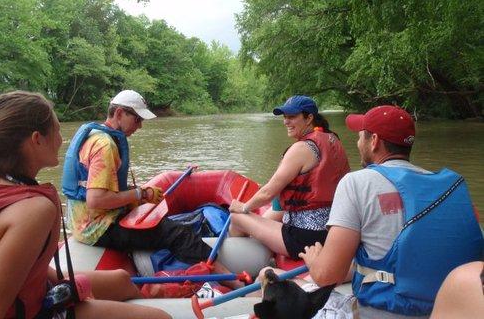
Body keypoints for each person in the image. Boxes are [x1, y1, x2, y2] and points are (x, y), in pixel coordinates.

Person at [0, 91, 171, 319]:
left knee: (122, 280)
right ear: (37, 139)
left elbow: (11, 264)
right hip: (28, 312)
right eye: (57, 130)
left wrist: (65, 283)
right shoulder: (33, 210)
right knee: (161, 317)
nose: (61, 139)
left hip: (27, 292)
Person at [300, 105, 483, 318]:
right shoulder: (452, 186)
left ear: (374, 141)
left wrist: (314, 261)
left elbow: (327, 277)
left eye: (360, 137)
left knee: (276, 281)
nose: (358, 143)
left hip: (387, 311)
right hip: (453, 308)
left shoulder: (356, 182)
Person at [62, 90, 237, 285]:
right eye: (137, 119)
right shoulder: (105, 146)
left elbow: (100, 188)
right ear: (119, 113)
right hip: (98, 227)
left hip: (84, 223)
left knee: (161, 221)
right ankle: (232, 281)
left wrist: (141, 196)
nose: (140, 126)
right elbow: (96, 200)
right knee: (177, 233)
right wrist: (140, 193)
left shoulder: (96, 135)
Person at [228, 95, 350, 258]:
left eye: (292, 117)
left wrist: (243, 208)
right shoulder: (332, 139)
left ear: (309, 118)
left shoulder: (302, 148)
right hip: (332, 230)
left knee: (236, 218)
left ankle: (242, 259)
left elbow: (268, 193)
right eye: (285, 117)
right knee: (277, 213)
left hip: (304, 238)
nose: (286, 121)